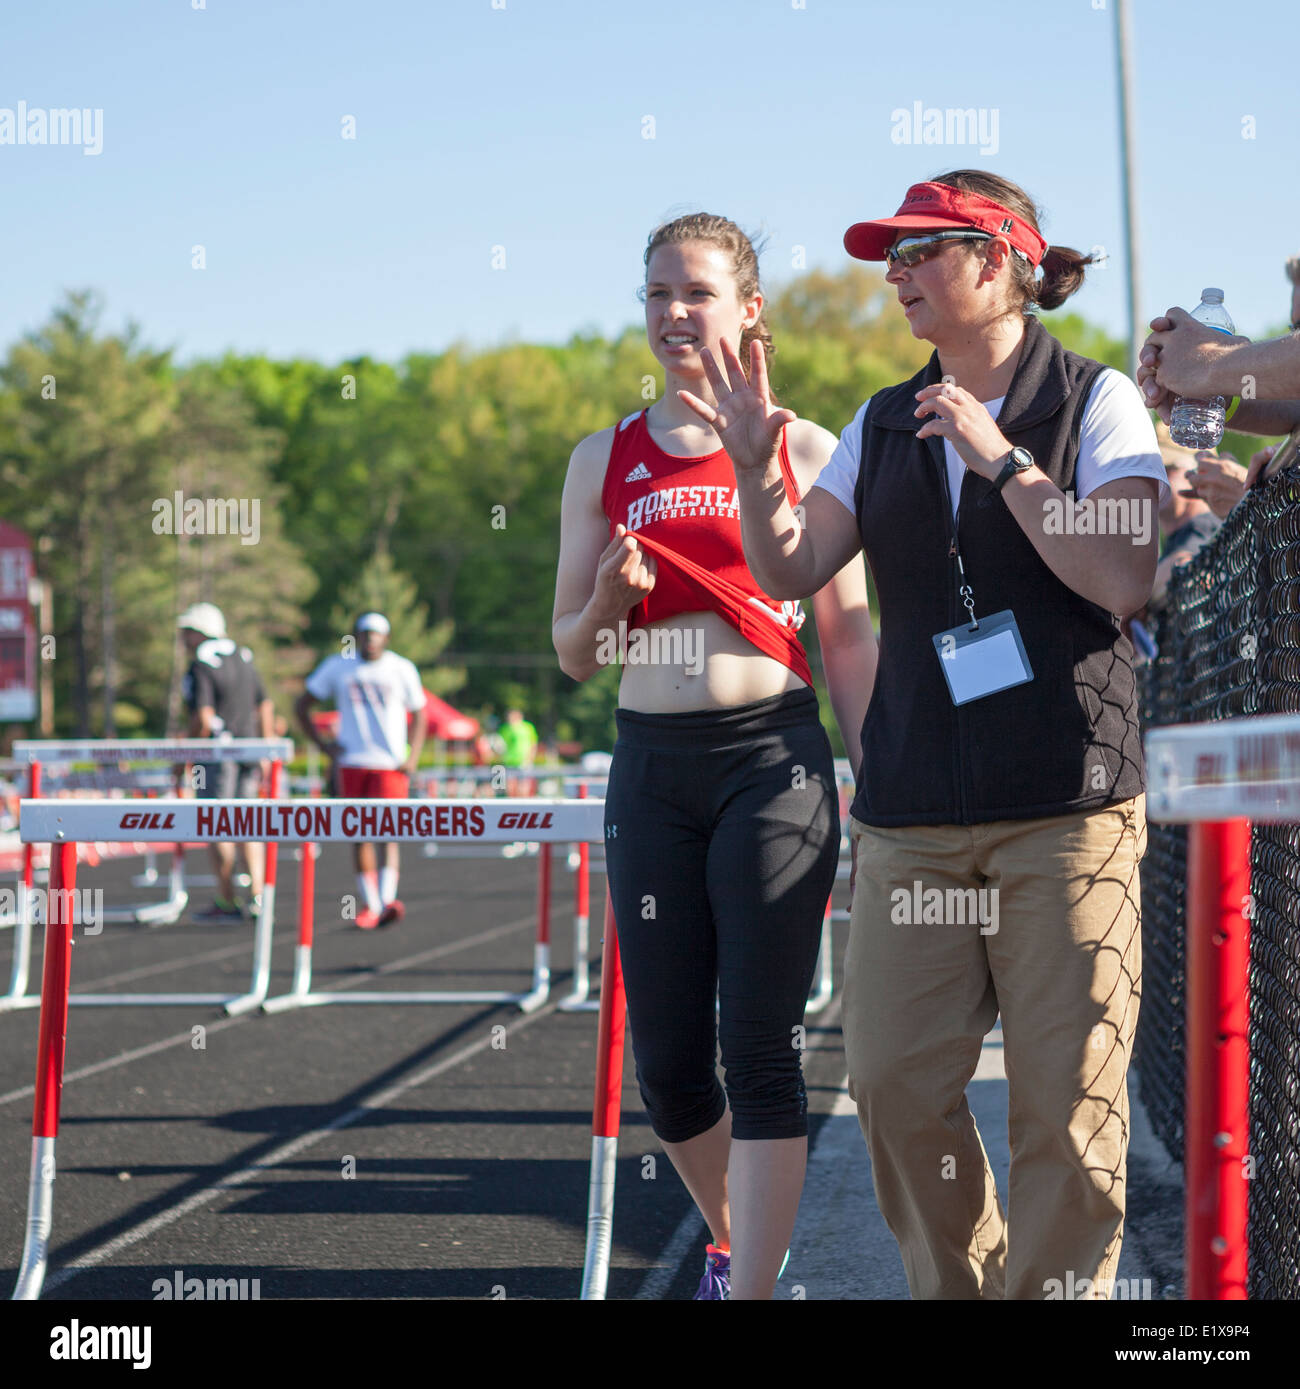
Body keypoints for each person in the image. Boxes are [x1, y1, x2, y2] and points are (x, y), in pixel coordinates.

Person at [688, 171, 1168, 1300]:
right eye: (887, 257)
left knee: (1069, 1107)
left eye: (919, 252)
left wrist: (1002, 459)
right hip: (912, 811)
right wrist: (760, 469)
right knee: (895, 1084)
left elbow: (1121, 573)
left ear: (998, 260)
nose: (894, 274)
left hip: (1067, 807)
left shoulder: (1095, 402)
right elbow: (792, 568)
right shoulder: (877, 418)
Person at [552, 212, 877, 1300]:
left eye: (695, 292)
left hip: (769, 763)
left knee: (759, 1046)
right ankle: (738, 1243)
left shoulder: (810, 447)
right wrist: (606, 599)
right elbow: (573, 654)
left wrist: (872, 777)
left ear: (749, 311)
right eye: (655, 294)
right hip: (650, 766)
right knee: (672, 1070)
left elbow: (846, 634)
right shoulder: (604, 458)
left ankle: (748, 1294)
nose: (673, 313)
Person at [295, 613, 427, 929]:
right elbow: (302, 704)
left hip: (391, 764)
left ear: (387, 638)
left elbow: (420, 713)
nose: (370, 640)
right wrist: (324, 746)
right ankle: (370, 903)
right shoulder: (338, 666)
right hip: (352, 762)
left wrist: (413, 756)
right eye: (364, 634)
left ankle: (387, 900)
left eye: (376, 634)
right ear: (355, 635)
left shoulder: (401, 668)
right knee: (359, 834)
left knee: (389, 831)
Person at [177, 602, 275, 921]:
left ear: (200, 633)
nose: (183, 637)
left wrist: (185, 756)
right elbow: (264, 705)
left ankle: (227, 899)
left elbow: (203, 718)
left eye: (187, 631)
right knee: (247, 822)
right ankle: (258, 896)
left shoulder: (201, 663)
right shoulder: (243, 656)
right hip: (248, 749)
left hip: (217, 755)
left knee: (216, 823)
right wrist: (265, 746)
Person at [1150, 432, 1222, 607]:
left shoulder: (1209, 526)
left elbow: (1188, 563)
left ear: (1200, 474)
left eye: (1166, 469)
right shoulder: (1177, 539)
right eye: (1149, 472)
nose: (1154, 479)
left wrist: (1136, 592)